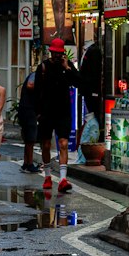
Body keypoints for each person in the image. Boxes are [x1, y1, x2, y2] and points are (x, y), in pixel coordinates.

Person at [34, 37, 78, 193]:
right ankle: (47, 176)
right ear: (51, 52)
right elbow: (36, 90)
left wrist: (67, 68)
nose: (57, 56)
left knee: (63, 144)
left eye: (60, 54)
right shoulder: (43, 68)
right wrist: (37, 112)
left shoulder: (66, 67)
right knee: (46, 144)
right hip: (46, 112)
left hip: (63, 111)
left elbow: (78, 82)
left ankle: (63, 179)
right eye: (55, 53)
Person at [17, 65, 39, 173]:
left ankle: (26, 163)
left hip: (26, 110)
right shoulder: (35, 76)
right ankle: (29, 164)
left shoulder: (33, 76)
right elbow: (31, 85)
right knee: (30, 138)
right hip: (29, 110)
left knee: (28, 139)